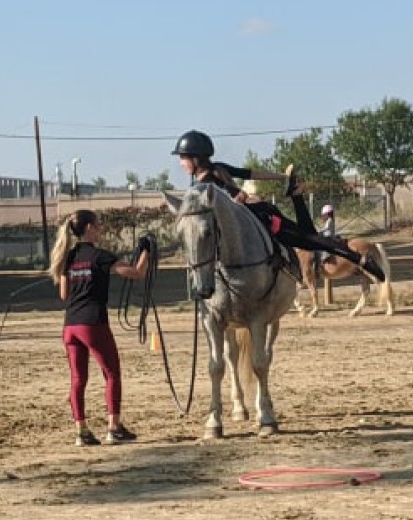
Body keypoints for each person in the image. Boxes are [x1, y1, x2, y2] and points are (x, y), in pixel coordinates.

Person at [171, 130, 386, 281]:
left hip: (260, 221)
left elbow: (240, 197)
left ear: (196, 159)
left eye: (183, 157)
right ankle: (295, 195)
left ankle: (361, 260)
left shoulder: (205, 184)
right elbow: (251, 173)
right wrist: (281, 176)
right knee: (310, 236)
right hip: (261, 214)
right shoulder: (218, 168)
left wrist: (237, 199)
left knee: (314, 240)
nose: (181, 162)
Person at [47, 209, 151, 446]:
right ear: (89, 229)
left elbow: (64, 294)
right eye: (98, 225)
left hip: (70, 326)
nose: (101, 228)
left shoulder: (67, 257)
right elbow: (138, 273)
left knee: (77, 378)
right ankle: (113, 428)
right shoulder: (100, 256)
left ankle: (81, 431)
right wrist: (146, 249)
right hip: (93, 323)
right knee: (112, 373)